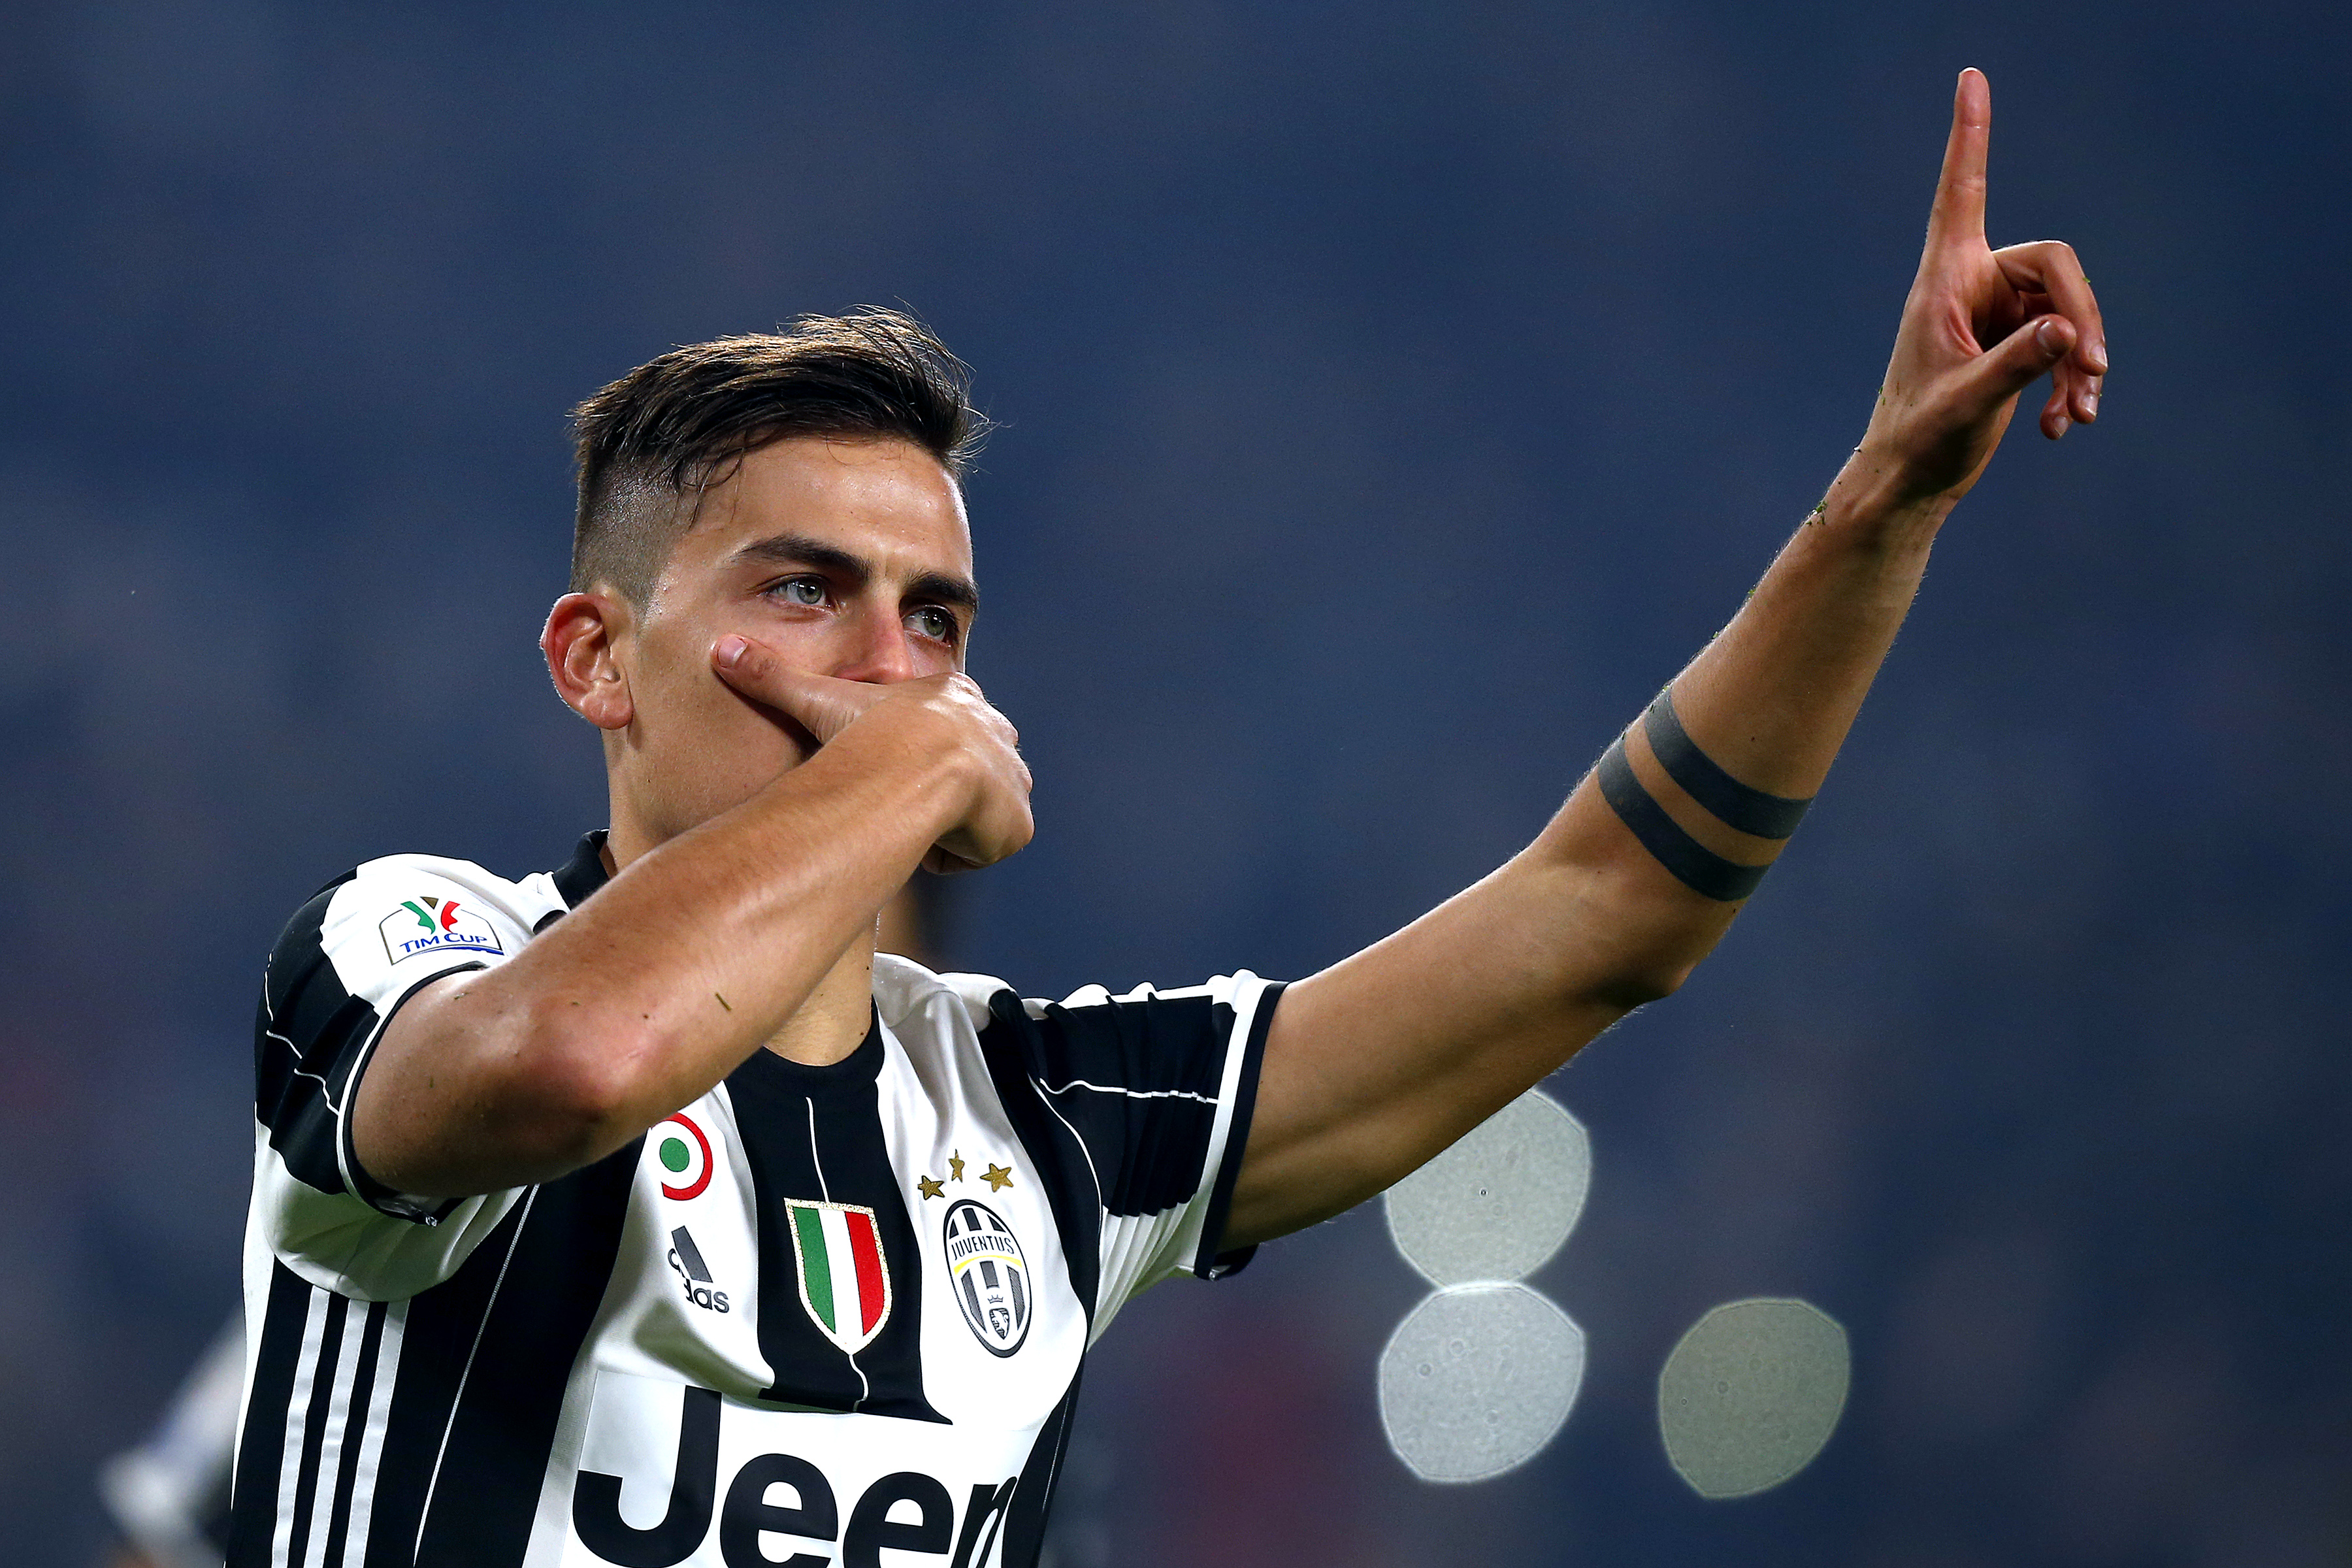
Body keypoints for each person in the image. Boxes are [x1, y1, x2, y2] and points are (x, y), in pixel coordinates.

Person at [230, 69, 2101, 1568]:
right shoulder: (411, 946)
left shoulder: (1048, 1126)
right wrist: (917, 759)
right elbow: (573, 1066)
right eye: (804, 592)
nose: (892, 661)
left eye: (937, 620)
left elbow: (1607, 911)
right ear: (597, 661)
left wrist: (1883, 510)